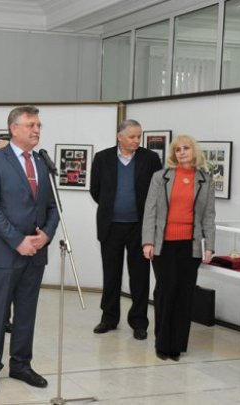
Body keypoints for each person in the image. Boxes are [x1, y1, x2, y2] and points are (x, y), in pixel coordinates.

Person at [0, 106, 59, 394]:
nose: (36, 130)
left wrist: (46, 235)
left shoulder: (41, 163)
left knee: (27, 311)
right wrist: (18, 240)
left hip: (36, 253)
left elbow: (53, 207)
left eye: (39, 125)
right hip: (3, 253)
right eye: (31, 125)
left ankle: (21, 365)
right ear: (14, 128)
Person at [142, 134, 215, 361]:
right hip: (164, 245)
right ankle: (162, 343)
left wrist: (209, 246)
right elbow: (150, 211)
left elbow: (209, 216)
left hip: (190, 246)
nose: (181, 152)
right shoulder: (160, 177)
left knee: (184, 295)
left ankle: (177, 346)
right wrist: (148, 241)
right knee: (166, 292)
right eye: (178, 149)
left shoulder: (205, 179)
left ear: (194, 151)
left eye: (186, 148)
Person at [89, 119, 162, 340]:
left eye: (139, 136)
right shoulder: (102, 158)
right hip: (110, 226)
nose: (137, 140)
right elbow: (96, 190)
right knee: (111, 274)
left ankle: (139, 322)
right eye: (132, 136)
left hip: (140, 227)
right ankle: (109, 318)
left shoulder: (150, 159)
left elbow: (157, 191)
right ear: (120, 136)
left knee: (139, 276)